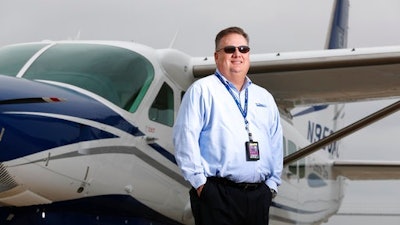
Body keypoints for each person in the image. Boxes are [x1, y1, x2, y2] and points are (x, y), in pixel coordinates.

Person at [173, 26, 283, 225]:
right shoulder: (201, 90)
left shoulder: (264, 97)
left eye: (243, 49)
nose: (237, 54)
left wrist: (271, 186)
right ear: (216, 56)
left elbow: (275, 142)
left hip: (258, 197)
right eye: (230, 49)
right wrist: (201, 185)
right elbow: (185, 137)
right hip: (217, 195)